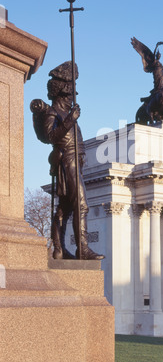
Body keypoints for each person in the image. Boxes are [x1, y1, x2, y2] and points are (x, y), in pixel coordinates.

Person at [32, 61, 103, 260]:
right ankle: (83, 248)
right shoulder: (53, 113)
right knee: (81, 205)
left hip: (76, 162)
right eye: (70, 94)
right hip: (66, 162)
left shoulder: (66, 113)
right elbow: (50, 137)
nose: (73, 98)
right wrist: (70, 120)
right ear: (63, 94)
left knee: (65, 209)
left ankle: (59, 250)